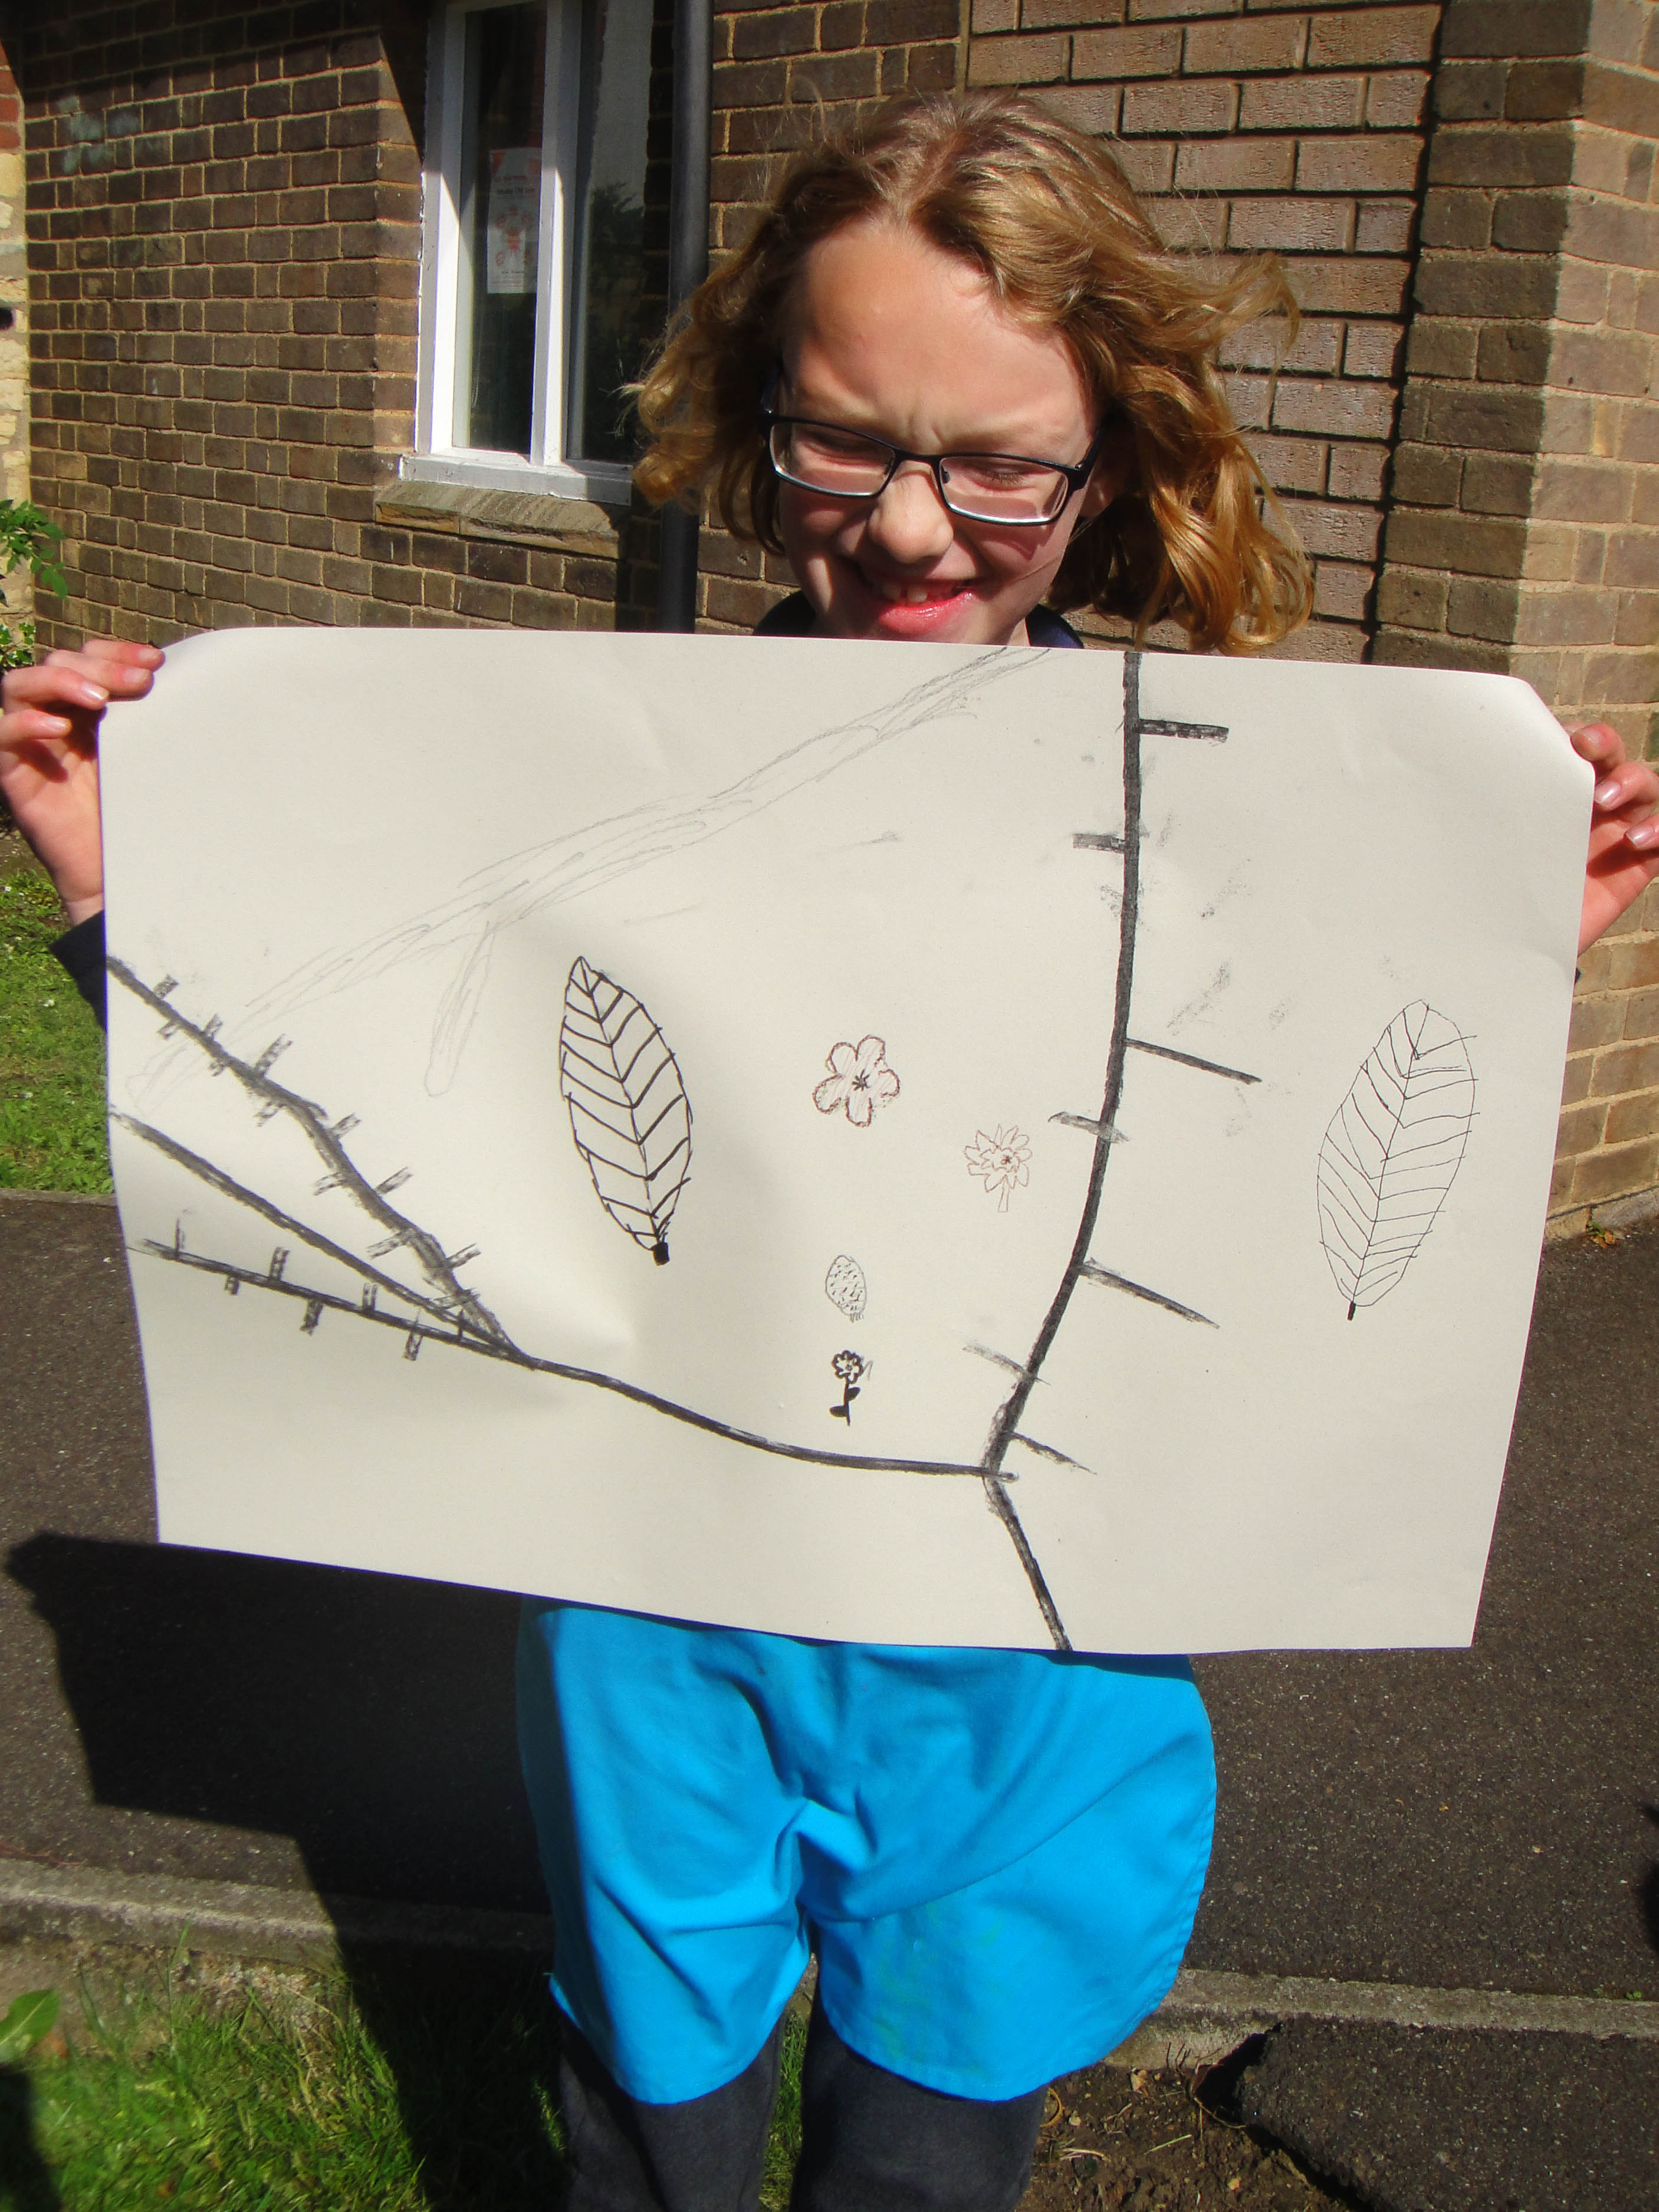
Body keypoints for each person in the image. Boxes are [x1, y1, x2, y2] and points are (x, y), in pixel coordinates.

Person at [3, 89, 1655, 2212]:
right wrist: (124, 890)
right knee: (649, 2150)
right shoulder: (593, 796)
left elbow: (1298, 1194)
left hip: (1024, 1693)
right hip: (660, 1657)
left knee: (924, 2172)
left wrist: (1492, 949)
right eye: (842, 441)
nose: (909, 527)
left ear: (1112, 456)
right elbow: (374, 1127)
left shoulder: (1229, 830)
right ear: (753, 408)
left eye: (999, 461)